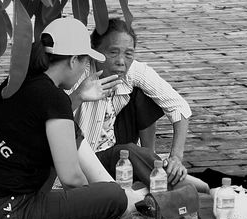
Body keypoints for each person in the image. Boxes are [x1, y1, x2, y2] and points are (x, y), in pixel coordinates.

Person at [0, 17, 141, 219]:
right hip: (4, 218)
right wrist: (93, 202)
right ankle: (127, 200)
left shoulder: (20, 81)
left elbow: (46, 125)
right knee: (112, 197)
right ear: (74, 60)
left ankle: (126, 198)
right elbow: (71, 180)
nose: (85, 70)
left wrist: (76, 98)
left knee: (102, 185)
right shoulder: (53, 98)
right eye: (85, 63)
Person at [72, 18, 208, 192]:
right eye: (113, 52)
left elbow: (179, 107)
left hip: (113, 150)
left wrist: (176, 157)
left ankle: (151, 162)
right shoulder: (79, 73)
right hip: (85, 157)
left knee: (145, 96)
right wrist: (79, 96)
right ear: (95, 52)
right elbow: (54, 116)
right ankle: (195, 187)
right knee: (130, 152)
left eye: (128, 54)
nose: (121, 61)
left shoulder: (133, 70)